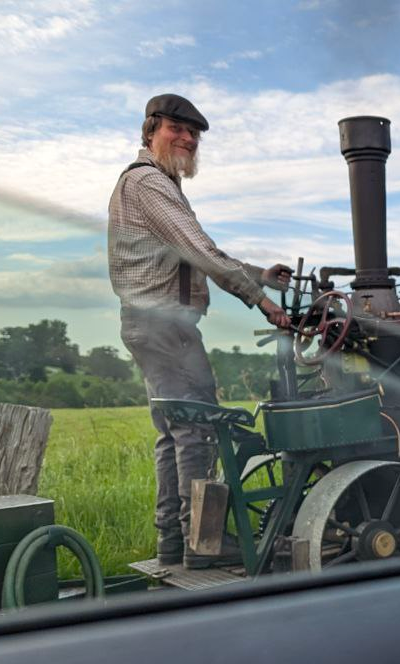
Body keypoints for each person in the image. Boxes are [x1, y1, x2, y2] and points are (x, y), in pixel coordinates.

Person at [108, 93, 292, 569]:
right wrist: (263, 301)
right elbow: (201, 251)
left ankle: (172, 540)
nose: (187, 138)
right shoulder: (149, 183)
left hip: (148, 324)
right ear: (151, 130)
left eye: (194, 134)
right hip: (164, 324)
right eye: (177, 128)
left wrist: (259, 273)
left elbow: (196, 249)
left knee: (173, 433)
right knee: (199, 430)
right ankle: (202, 543)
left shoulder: (159, 185)